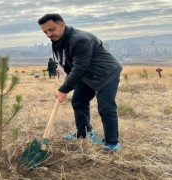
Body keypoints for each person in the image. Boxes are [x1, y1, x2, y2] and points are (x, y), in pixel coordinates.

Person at [38, 14, 122, 151]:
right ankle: (83, 133)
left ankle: (112, 143)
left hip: (106, 73)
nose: (49, 34)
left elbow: (80, 68)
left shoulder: (80, 39)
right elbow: (68, 65)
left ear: (62, 24)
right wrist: (65, 87)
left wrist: (64, 89)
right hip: (87, 74)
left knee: (106, 107)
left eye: (51, 29)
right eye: (45, 32)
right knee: (78, 101)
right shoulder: (58, 40)